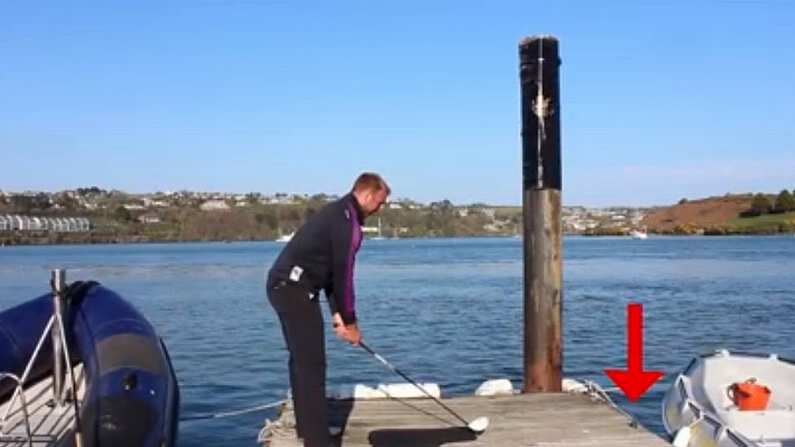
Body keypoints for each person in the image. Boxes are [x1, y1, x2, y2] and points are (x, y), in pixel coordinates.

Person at [266, 173, 390, 447]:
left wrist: (337, 315)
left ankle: (309, 432)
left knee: (302, 362)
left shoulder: (342, 213)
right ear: (368, 195)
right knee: (311, 365)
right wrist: (351, 322)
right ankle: (316, 440)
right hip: (292, 289)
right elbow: (344, 276)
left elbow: (330, 273)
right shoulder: (346, 223)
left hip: (288, 287)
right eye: (380, 203)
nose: (380, 209)